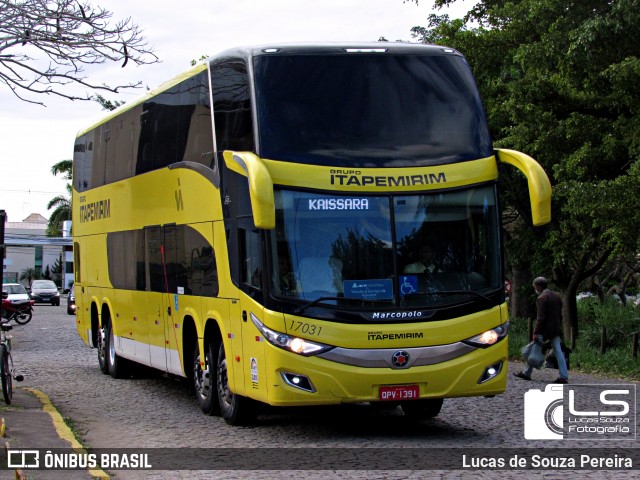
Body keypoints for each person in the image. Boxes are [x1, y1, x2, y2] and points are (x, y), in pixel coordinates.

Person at [513, 277, 568, 384]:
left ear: (538, 286)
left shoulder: (542, 298)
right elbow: (559, 315)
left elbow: (540, 318)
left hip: (544, 330)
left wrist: (536, 332)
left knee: (534, 349)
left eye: (535, 287)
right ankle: (563, 376)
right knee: (558, 352)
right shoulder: (556, 296)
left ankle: (526, 373)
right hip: (555, 329)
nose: (535, 289)